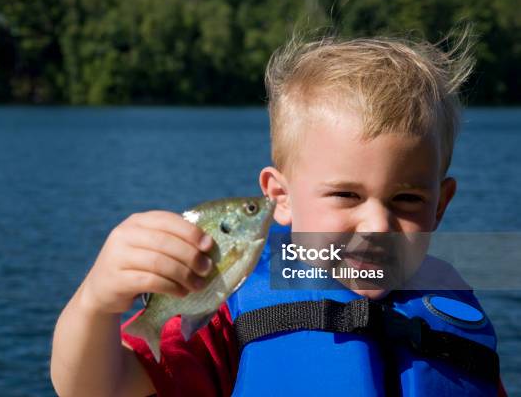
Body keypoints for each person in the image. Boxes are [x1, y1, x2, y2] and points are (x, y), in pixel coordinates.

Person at [50, 30, 506, 396]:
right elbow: (95, 386)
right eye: (346, 195)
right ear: (281, 197)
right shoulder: (233, 304)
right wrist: (96, 302)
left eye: (407, 201)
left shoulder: (452, 312)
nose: (377, 227)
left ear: (441, 203)